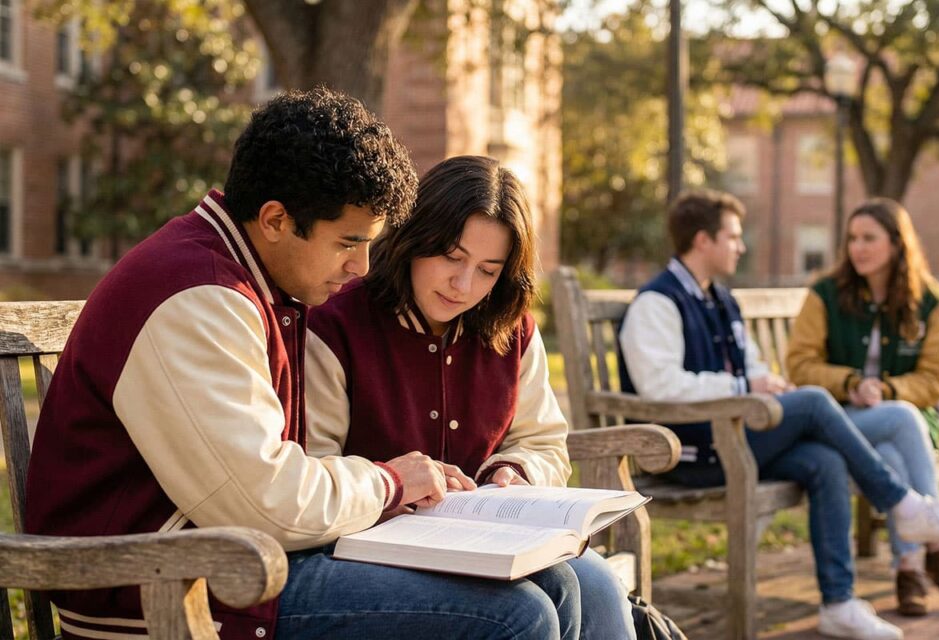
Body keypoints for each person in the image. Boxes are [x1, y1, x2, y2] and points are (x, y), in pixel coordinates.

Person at [25, 89, 582, 640]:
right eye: (347, 242)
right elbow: (264, 502)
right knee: (515, 615)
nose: (361, 266)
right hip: (168, 584)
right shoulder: (200, 297)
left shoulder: (251, 283)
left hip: (231, 562)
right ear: (275, 219)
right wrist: (392, 481)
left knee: (560, 584)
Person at [617, 189, 939, 640]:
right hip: (688, 453)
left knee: (824, 460)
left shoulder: (721, 300)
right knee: (813, 402)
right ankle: (906, 506)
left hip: (735, 437)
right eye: (733, 236)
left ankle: (839, 602)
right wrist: (745, 387)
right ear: (702, 241)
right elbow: (660, 387)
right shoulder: (658, 302)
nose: (741, 245)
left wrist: (765, 383)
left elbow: (750, 365)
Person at [305, 155, 638, 640]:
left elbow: (543, 441)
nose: (463, 286)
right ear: (413, 239)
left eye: (487, 270)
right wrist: (389, 490)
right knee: (532, 606)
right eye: (452, 258)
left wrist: (514, 474)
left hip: (493, 541)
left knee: (600, 588)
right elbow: (315, 464)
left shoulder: (513, 327)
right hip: (372, 547)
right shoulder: (338, 325)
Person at [787, 198, 939, 617]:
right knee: (901, 421)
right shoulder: (825, 294)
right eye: (852, 238)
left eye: (869, 238)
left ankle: (910, 565)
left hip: (898, 420)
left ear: (896, 244)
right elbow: (800, 365)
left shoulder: (929, 300)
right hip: (837, 419)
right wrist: (851, 384)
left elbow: (938, 377)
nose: (858, 247)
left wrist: (890, 389)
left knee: (895, 442)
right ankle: (934, 548)